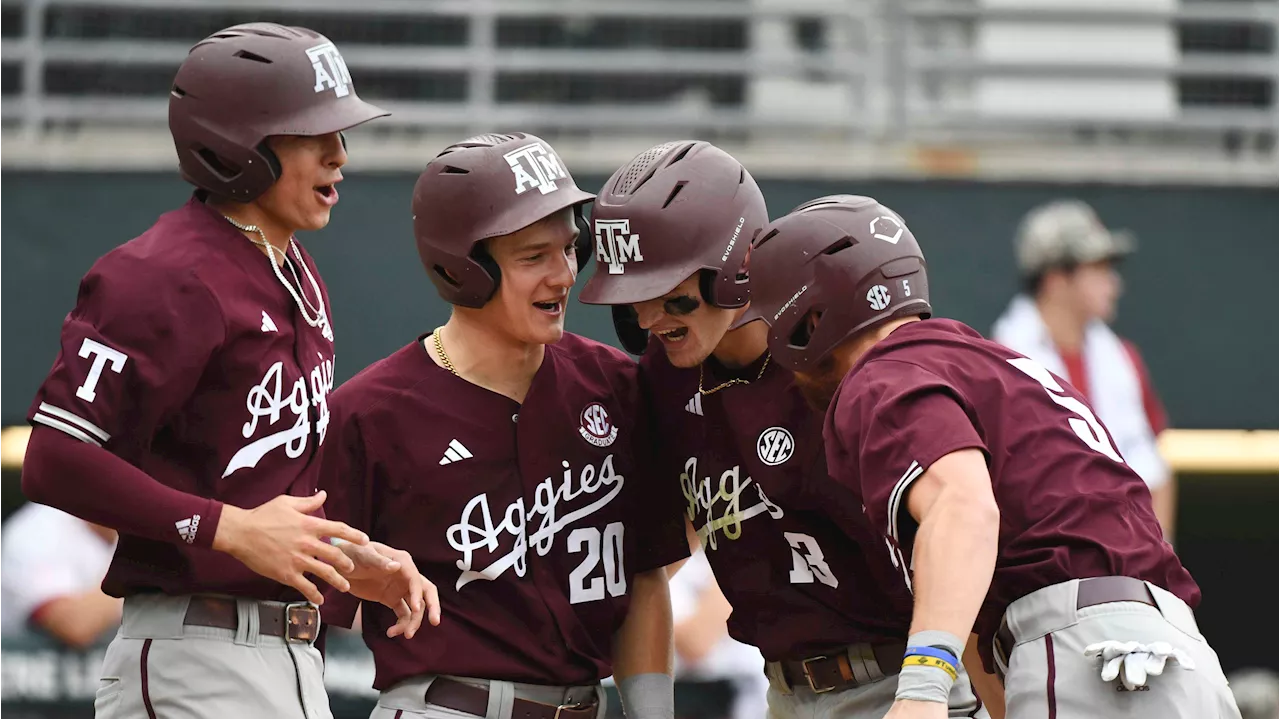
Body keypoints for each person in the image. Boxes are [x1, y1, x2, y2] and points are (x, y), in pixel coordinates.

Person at [20, 23, 435, 719]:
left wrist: (345, 560)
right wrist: (226, 529)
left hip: (291, 659)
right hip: (193, 654)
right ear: (240, 143)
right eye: (315, 135)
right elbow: (54, 460)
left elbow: (260, 495)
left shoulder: (295, 267)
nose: (340, 154)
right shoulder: (163, 273)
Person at [744, 193, 1240, 719]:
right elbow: (986, 603)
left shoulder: (882, 374)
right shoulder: (992, 362)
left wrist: (922, 689)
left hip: (1088, 656)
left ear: (810, 316)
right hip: (1177, 661)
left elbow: (964, 508)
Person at [577, 141, 991, 719]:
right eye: (631, 296)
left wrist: (945, 692)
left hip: (910, 679)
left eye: (665, 291)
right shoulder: (664, 374)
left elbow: (961, 527)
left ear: (734, 268)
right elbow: (657, 553)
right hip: (783, 694)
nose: (646, 317)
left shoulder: (835, 349)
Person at [318, 132, 690, 719]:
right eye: (533, 256)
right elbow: (312, 607)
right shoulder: (370, 412)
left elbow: (645, 575)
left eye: (570, 249)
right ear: (464, 269)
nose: (564, 275)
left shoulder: (618, 387)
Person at [991, 199, 1176, 538]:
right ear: (1056, 278)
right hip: (1040, 565)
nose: (1114, 284)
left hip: (1132, 562)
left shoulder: (1123, 358)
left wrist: (1158, 571)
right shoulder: (999, 365)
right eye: (1099, 269)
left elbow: (1156, 474)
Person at [0, 503, 120, 648]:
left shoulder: (136, 530)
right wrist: (143, 567)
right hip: (26, 664)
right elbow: (75, 624)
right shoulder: (37, 531)